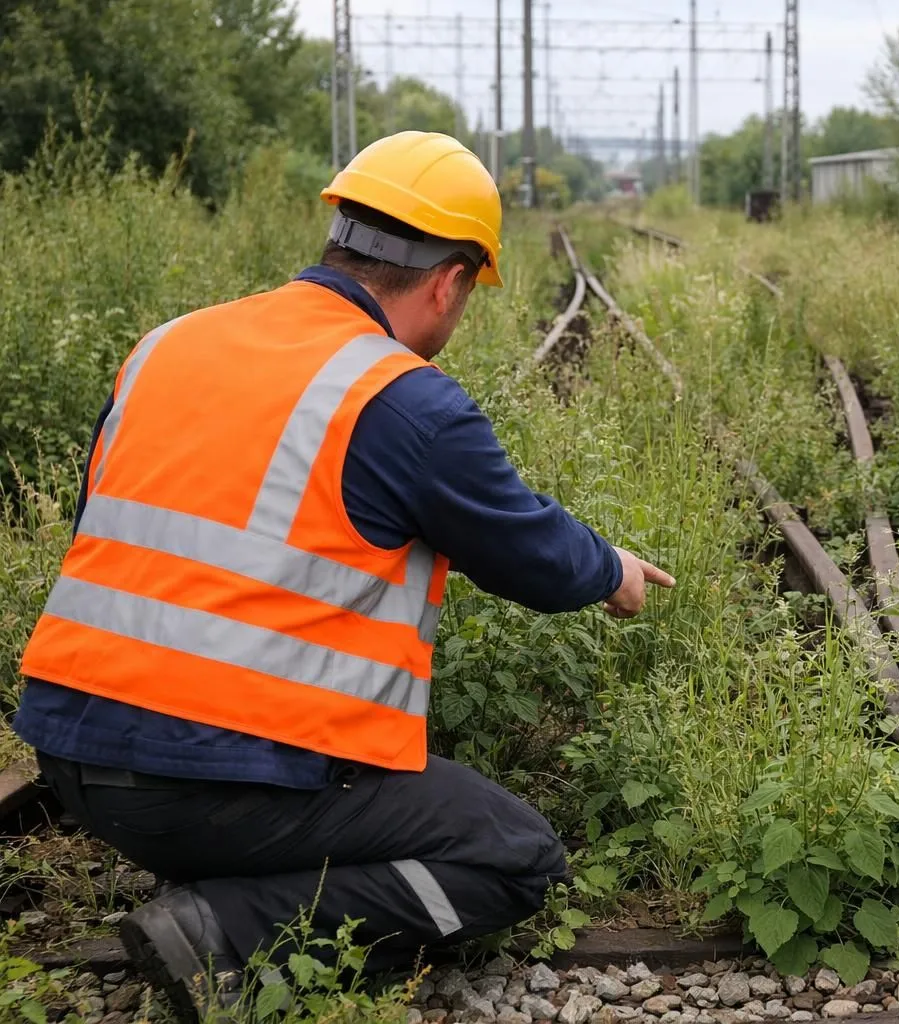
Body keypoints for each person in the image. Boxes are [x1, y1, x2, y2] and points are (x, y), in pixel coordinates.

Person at [10, 130, 674, 1021]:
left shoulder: (165, 344)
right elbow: (530, 551)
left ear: (344, 241)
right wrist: (610, 571)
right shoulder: (401, 397)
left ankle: (215, 866)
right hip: (214, 785)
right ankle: (222, 931)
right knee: (514, 856)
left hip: (75, 758)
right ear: (450, 282)